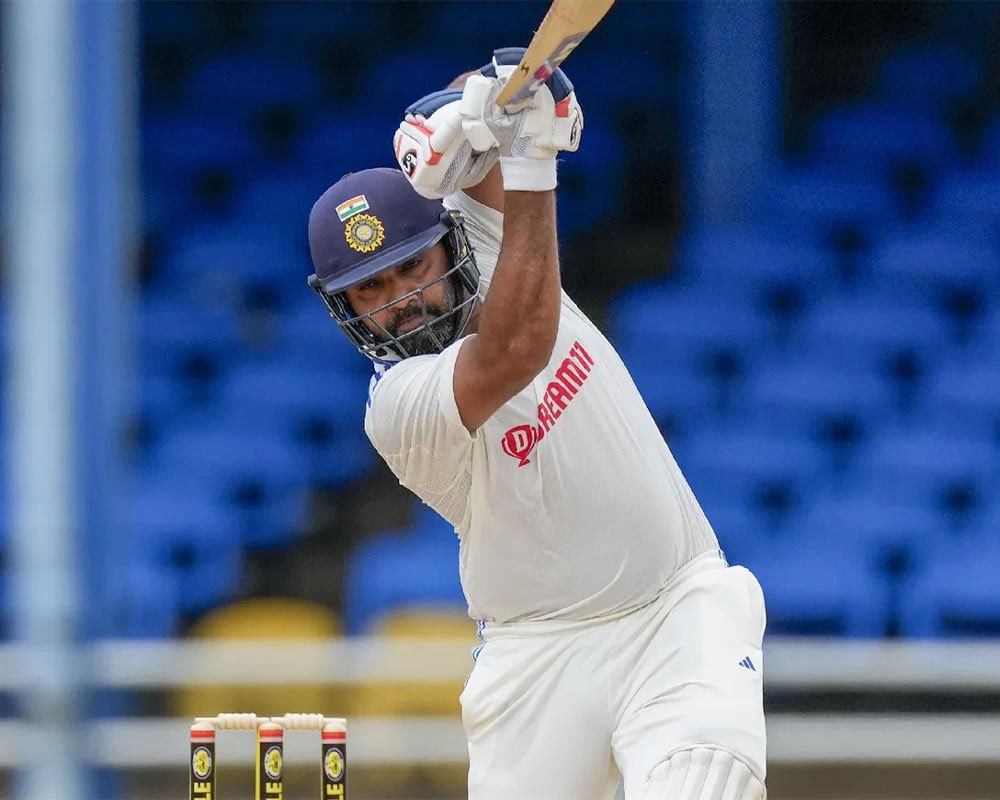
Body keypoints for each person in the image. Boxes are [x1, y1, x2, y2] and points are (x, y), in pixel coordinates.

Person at [306, 49, 767, 800]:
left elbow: (479, 94)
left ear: (448, 242)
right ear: (343, 309)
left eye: (411, 267)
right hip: (536, 658)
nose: (399, 300)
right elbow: (518, 344)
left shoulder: (477, 231)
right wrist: (532, 152)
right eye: (371, 290)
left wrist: (460, 112)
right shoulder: (398, 405)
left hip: (677, 609)